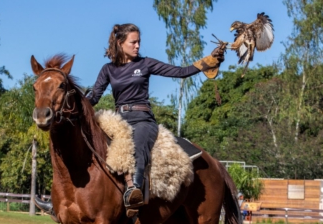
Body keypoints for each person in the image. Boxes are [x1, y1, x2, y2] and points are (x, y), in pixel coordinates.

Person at [34, 23, 226, 218]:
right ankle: (63, 198)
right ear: (120, 43)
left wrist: (205, 63)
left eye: (138, 42)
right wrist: (74, 105)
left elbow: (180, 72)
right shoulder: (108, 69)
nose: (137, 46)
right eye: (133, 42)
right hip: (117, 119)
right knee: (81, 144)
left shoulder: (145, 64)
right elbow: (94, 97)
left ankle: (134, 191)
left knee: (138, 142)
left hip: (143, 119)